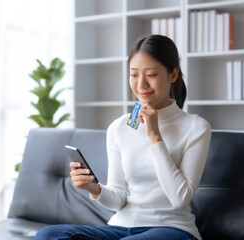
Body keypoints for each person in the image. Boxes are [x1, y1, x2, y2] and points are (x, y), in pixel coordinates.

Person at [34, 35, 211, 240]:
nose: (141, 84)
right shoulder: (119, 127)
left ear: (172, 75)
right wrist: (93, 188)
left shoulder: (196, 127)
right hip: (121, 226)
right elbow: (118, 200)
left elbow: (180, 198)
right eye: (134, 75)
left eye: (151, 74)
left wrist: (155, 137)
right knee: (48, 235)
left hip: (172, 229)